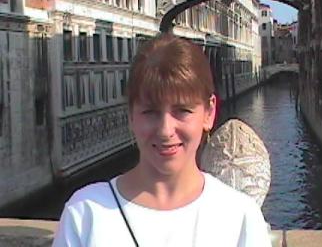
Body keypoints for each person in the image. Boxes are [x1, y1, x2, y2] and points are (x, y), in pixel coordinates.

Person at [53, 34, 271, 247]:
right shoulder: (84, 214)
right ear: (131, 115)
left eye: (182, 111)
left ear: (209, 112)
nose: (166, 130)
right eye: (150, 112)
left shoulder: (241, 217)